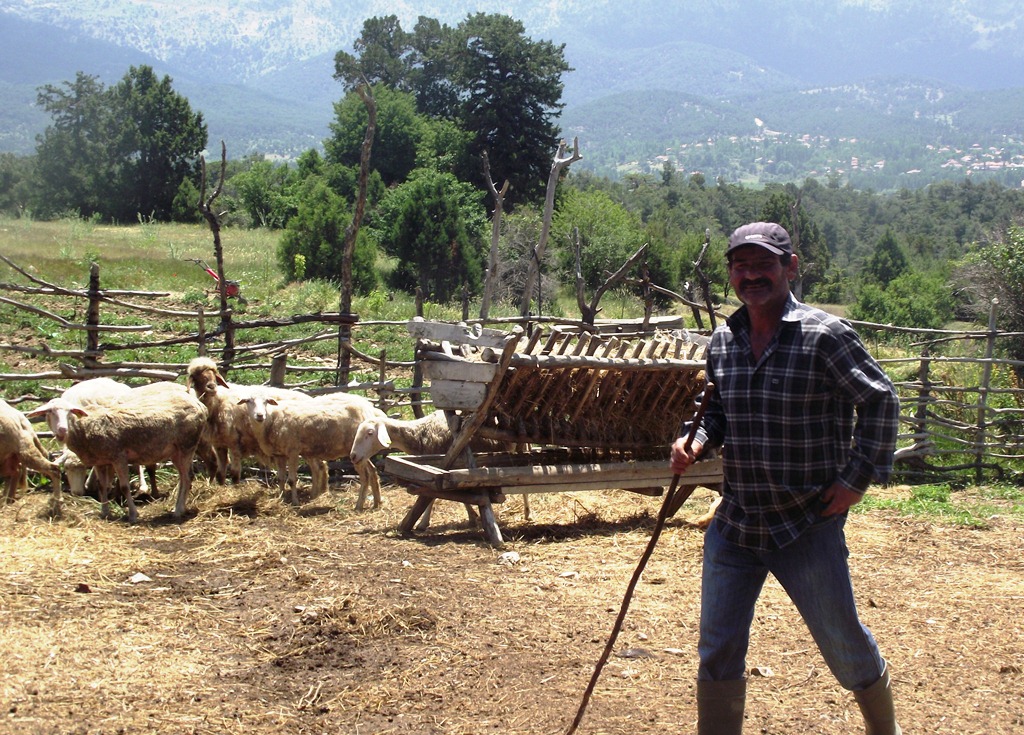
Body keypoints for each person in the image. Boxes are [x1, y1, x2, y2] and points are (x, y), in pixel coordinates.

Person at [670, 221, 902, 735]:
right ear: (730, 272)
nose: (751, 275)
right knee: (718, 647)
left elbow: (880, 400)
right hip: (736, 524)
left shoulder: (825, 335)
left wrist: (857, 478)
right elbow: (715, 413)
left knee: (843, 642)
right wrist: (695, 440)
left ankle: (884, 729)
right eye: (740, 266)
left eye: (763, 265)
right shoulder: (724, 339)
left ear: (790, 267)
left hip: (807, 523)